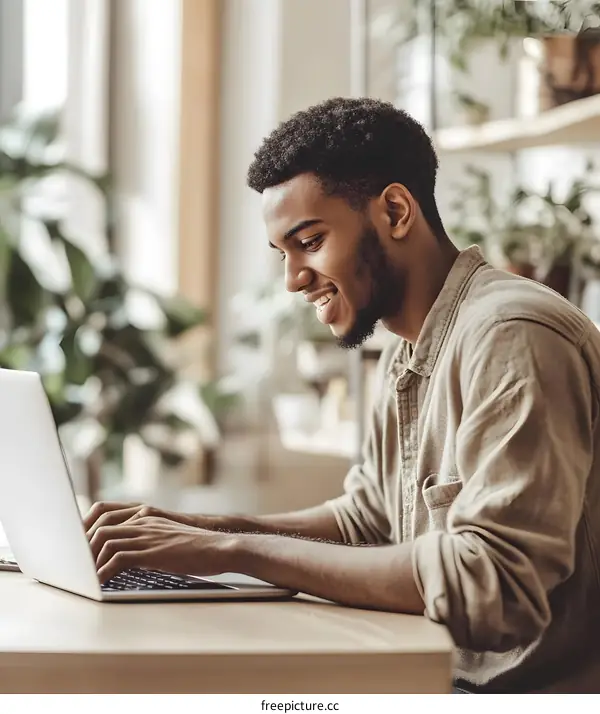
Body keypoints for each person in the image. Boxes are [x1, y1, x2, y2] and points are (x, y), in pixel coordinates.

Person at [84, 97, 600, 693]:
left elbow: (495, 586)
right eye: (284, 253)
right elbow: (366, 521)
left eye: (310, 240)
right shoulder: (411, 345)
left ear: (396, 211)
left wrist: (234, 549)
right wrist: (199, 531)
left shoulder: (512, 336)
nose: (293, 279)